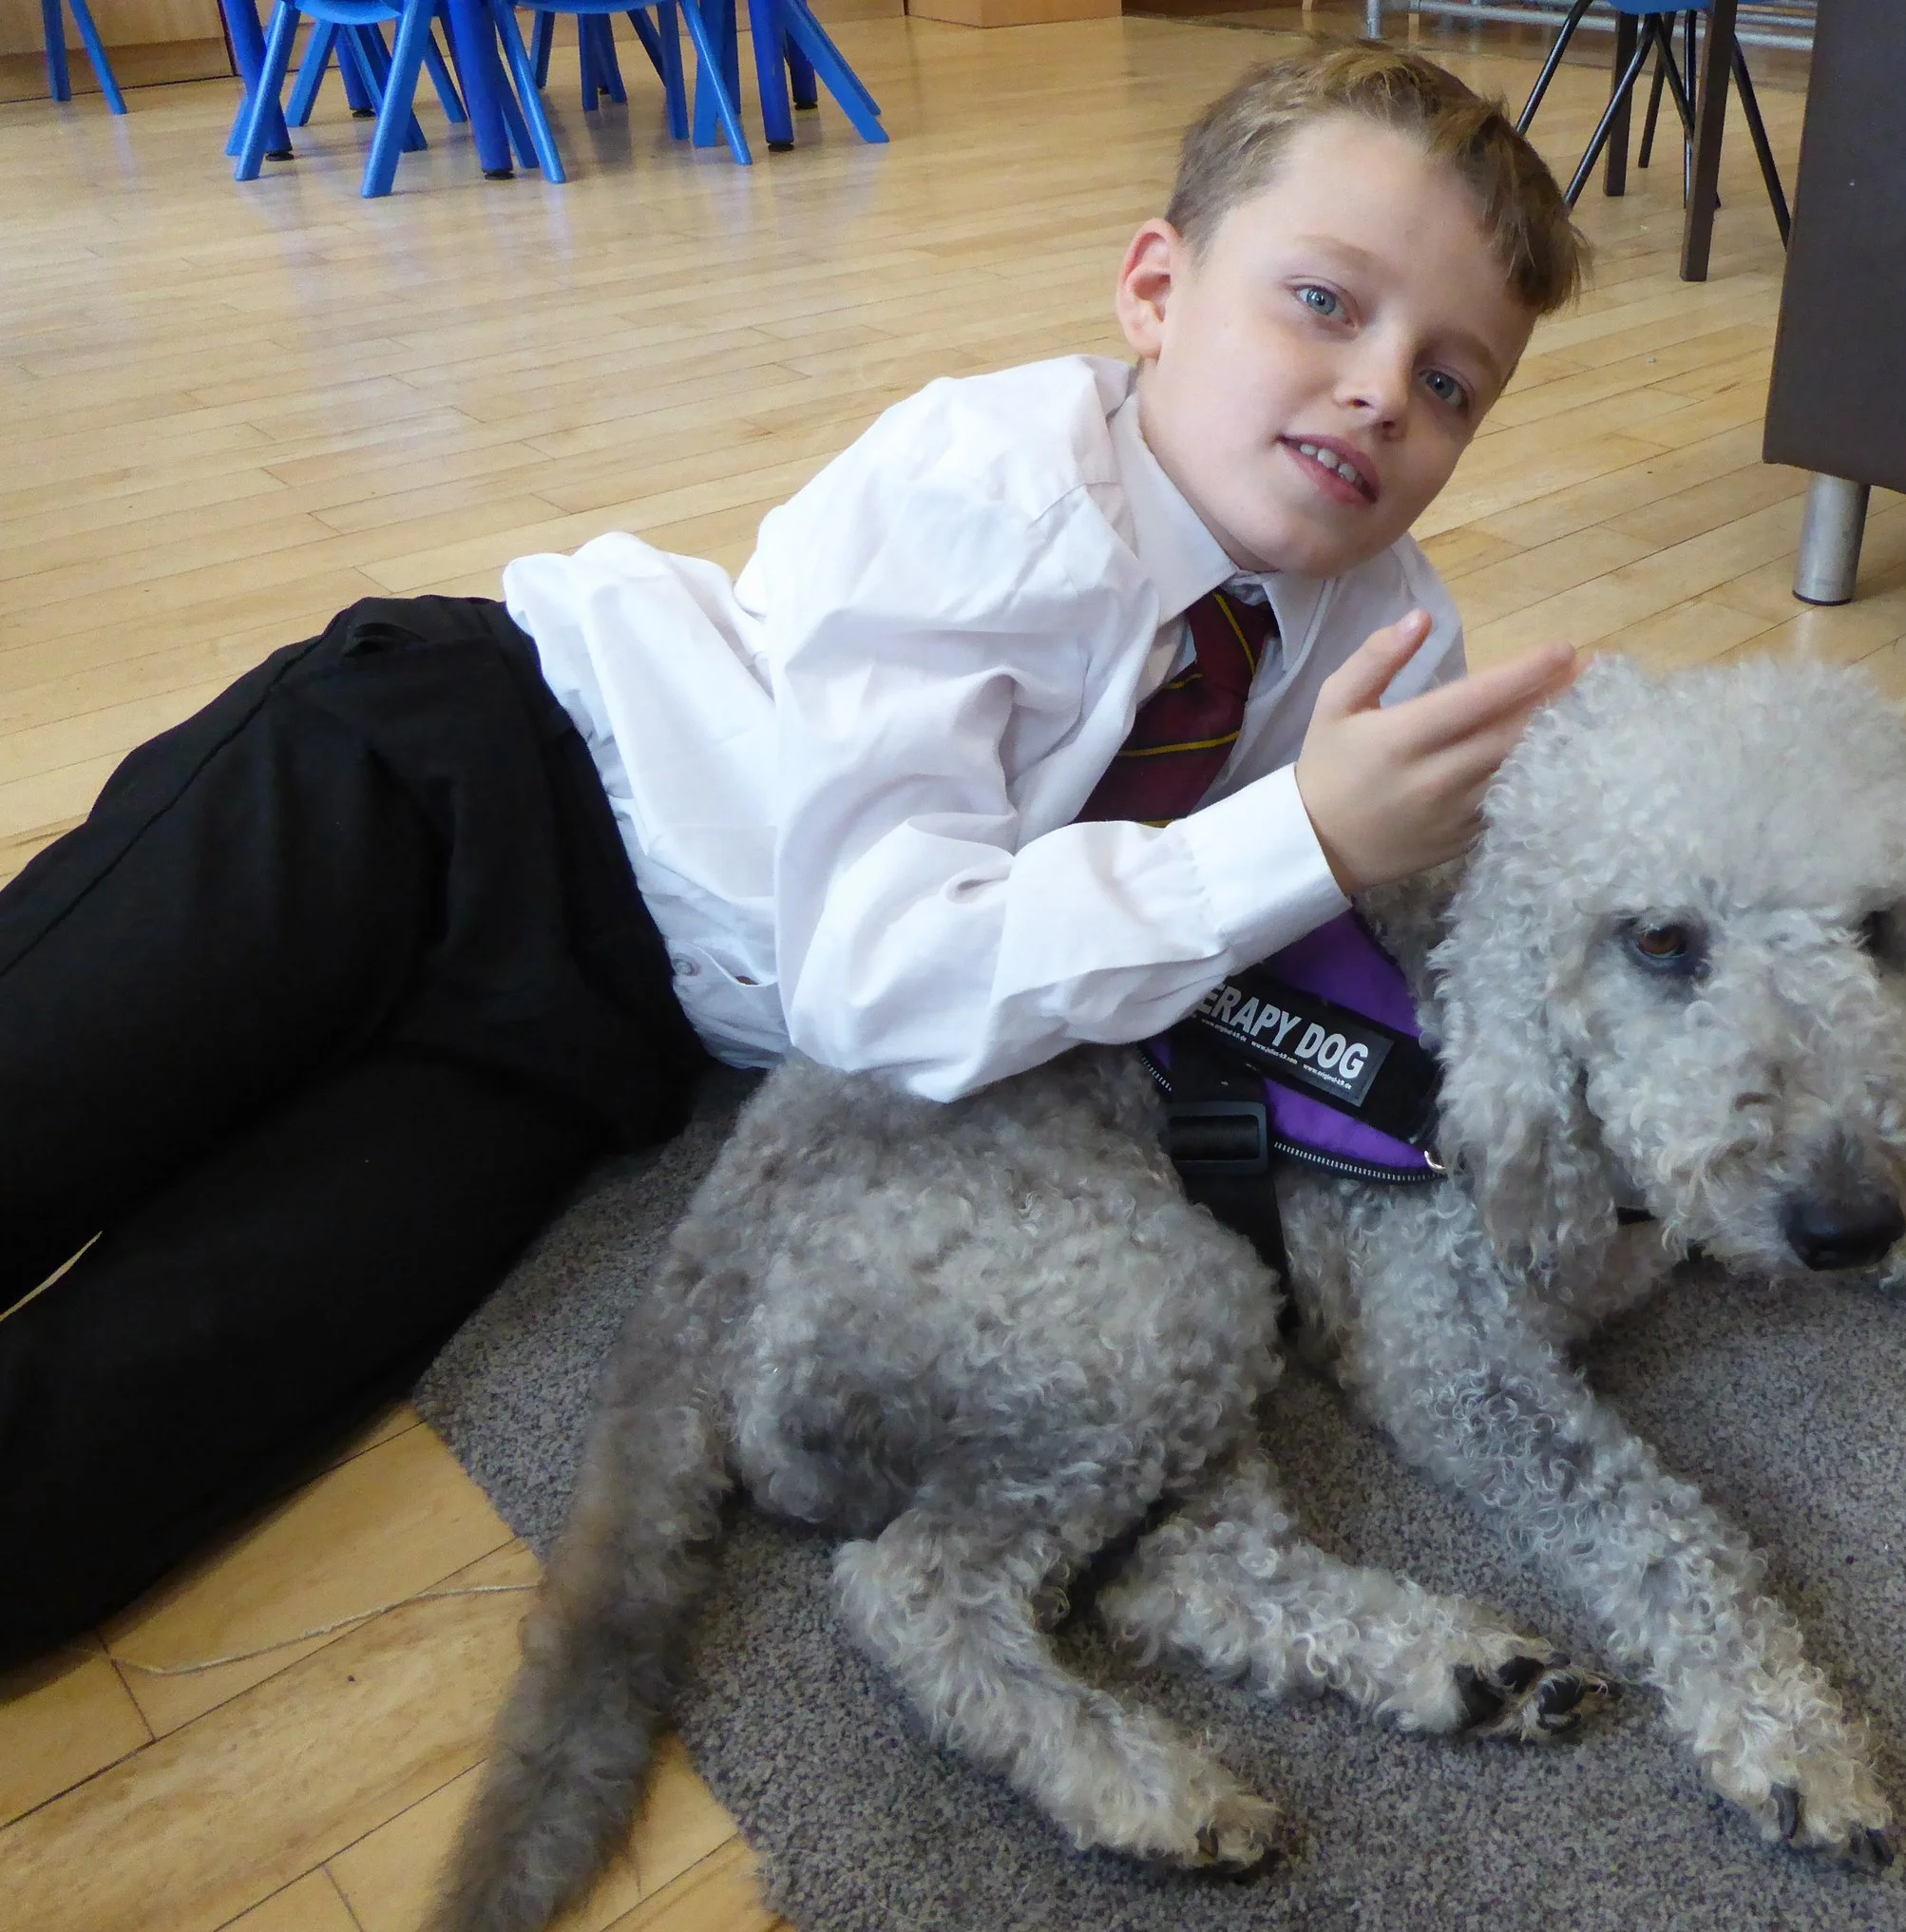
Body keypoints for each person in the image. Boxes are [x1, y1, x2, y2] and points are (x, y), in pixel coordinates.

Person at [0, 43, 1586, 1667]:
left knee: (116, 1459)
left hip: (603, 1038)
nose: (1386, 389)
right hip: (461, 778)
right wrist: (1300, 836)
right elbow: (880, 979)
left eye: (1454, 381)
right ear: (1155, 290)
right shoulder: (992, 481)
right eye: (1326, 302)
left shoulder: (1392, 627)